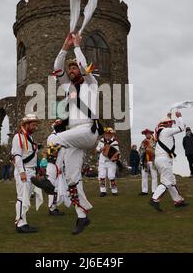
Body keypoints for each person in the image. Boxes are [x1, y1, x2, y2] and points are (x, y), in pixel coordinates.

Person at [34, 32, 99, 235]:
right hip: (75, 135)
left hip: (88, 130)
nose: (71, 70)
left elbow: (83, 66)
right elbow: (56, 67)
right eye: (70, 69)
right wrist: (64, 45)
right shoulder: (69, 89)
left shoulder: (91, 83)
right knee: (72, 178)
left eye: (74, 68)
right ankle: (82, 217)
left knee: (53, 138)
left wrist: (77, 46)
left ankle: (50, 181)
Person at [149, 112, 189, 212]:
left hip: (161, 159)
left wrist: (169, 117)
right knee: (166, 181)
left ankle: (178, 201)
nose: (171, 124)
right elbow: (181, 128)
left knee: (171, 181)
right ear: (165, 124)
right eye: (170, 122)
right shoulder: (166, 131)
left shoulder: (160, 131)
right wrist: (179, 117)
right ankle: (155, 199)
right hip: (164, 159)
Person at [11, 114, 41, 233]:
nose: (35, 127)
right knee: (21, 197)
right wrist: (22, 172)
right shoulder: (17, 137)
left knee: (26, 198)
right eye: (33, 125)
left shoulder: (30, 138)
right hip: (23, 171)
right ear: (26, 125)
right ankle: (20, 224)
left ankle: (24, 222)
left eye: (36, 124)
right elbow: (17, 156)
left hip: (31, 171)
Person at [96, 127, 120, 197]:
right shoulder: (101, 141)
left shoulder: (115, 142)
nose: (108, 135)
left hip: (111, 162)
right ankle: (103, 191)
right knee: (102, 176)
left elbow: (117, 153)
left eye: (109, 134)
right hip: (102, 161)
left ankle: (114, 191)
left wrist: (114, 157)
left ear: (112, 135)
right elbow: (97, 149)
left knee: (111, 176)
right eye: (106, 133)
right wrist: (101, 149)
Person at [139, 129, 157, 196]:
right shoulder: (143, 142)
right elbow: (140, 150)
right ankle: (144, 191)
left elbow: (157, 150)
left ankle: (154, 191)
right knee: (144, 176)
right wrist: (143, 151)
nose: (147, 135)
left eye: (148, 133)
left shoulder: (155, 141)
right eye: (146, 134)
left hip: (153, 160)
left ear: (150, 134)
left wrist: (150, 149)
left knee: (154, 176)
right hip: (145, 161)